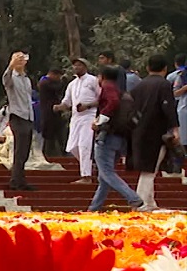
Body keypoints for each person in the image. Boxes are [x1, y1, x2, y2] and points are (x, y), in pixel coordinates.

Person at [87, 66, 144, 211]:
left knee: (107, 172)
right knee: (103, 178)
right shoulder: (120, 91)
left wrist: (99, 121)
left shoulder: (108, 88)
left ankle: (133, 197)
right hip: (119, 137)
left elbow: (112, 103)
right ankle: (93, 208)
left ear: (102, 76)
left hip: (107, 136)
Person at [129, 55, 179, 210]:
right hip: (156, 132)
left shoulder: (138, 86)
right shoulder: (164, 85)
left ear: (147, 68)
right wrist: (175, 129)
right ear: (165, 69)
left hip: (137, 131)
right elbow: (168, 108)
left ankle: (150, 202)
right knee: (150, 169)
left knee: (148, 167)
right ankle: (141, 202)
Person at [53, 57, 99, 184]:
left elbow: (101, 98)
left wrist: (87, 105)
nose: (77, 67)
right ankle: (89, 166)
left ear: (85, 67)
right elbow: (66, 102)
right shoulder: (72, 84)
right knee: (72, 146)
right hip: (76, 118)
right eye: (75, 65)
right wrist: (59, 107)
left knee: (85, 145)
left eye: (79, 65)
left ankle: (86, 176)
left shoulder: (93, 80)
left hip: (89, 116)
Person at [1, 51, 37, 191]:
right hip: (18, 116)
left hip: (28, 116)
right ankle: (15, 181)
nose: (21, 61)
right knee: (19, 150)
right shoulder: (12, 78)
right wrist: (11, 65)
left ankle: (21, 179)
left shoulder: (26, 79)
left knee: (25, 151)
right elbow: (5, 79)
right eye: (18, 59)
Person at [37, 67, 67, 158]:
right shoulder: (44, 82)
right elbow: (57, 88)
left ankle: (60, 153)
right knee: (49, 136)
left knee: (59, 135)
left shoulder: (48, 82)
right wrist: (63, 81)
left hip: (55, 112)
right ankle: (48, 154)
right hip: (48, 113)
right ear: (53, 74)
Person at [172, 53, 187, 175]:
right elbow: (175, 92)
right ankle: (177, 166)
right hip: (184, 111)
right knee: (182, 140)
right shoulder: (181, 76)